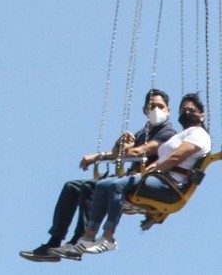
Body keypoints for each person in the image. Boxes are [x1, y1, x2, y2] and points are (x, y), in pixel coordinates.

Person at [18, 88, 177, 262]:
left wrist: (126, 149)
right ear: (145, 110)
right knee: (71, 187)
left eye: (160, 106)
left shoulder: (168, 133)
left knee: (89, 188)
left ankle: (79, 241)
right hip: (128, 179)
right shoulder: (144, 131)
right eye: (152, 106)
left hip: (142, 182)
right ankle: (54, 240)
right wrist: (108, 150)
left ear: (168, 109)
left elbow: (142, 150)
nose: (156, 110)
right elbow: (120, 154)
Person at [54, 93, 212, 258]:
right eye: (183, 110)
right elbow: (143, 155)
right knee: (102, 185)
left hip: (169, 183)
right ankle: (88, 237)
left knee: (117, 185)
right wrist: (121, 149)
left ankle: (108, 237)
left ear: (201, 115)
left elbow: (175, 158)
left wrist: (150, 171)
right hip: (156, 176)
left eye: (191, 110)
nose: (186, 112)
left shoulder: (198, 134)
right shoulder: (180, 134)